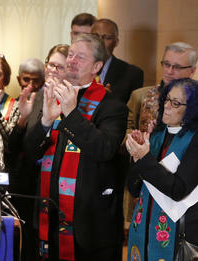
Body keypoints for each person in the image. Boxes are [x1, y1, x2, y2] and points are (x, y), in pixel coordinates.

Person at [33, 34, 127, 260]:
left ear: (97, 66)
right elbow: (30, 153)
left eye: (81, 57)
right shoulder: (52, 95)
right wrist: (45, 122)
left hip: (89, 224)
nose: (72, 61)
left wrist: (72, 114)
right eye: (71, 55)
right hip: (49, 216)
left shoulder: (112, 105)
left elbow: (104, 149)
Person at [125, 78, 198, 260]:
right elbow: (134, 189)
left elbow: (178, 189)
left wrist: (144, 158)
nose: (167, 106)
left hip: (183, 232)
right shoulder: (156, 135)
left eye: (176, 103)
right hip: (145, 228)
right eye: (166, 99)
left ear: (192, 110)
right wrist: (136, 157)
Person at [6, 44, 68, 261]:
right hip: (31, 189)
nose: (52, 71)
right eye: (50, 64)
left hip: (63, 192)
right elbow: (18, 151)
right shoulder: (36, 97)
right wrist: (23, 120)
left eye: (60, 67)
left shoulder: (74, 99)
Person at [128, 42, 197, 133]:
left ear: (192, 71)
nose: (169, 71)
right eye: (167, 64)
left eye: (177, 67)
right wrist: (135, 139)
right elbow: (125, 129)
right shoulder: (140, 96)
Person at [91, 18, 144, 103]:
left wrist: (108, 100)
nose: (99, 42)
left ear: (116, 42)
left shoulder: (133, 74)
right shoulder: (77, 67)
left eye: (106, 38)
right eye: (95, 36)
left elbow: (131, 113)